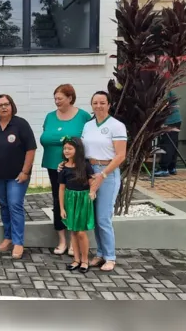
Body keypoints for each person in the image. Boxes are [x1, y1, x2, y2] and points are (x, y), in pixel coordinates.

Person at [40, 84, 92, 256]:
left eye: (60, 98)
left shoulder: (83, 116)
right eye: (55, 98)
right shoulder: (49, 116)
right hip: (53, 166)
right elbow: (46, 137)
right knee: (58, 200)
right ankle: (62, 240)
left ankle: (74, 242)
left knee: (72, 201)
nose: (57, 102)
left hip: (74, 167)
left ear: (70, 98)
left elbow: (87, 141)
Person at [0, 94, 37, 260]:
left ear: (12, 106)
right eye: (0, 105)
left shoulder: (21, 124)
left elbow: (31, 149)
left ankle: (18, 242)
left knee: (15, 204)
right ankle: (8, 238)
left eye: (7, 104)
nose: (4, 107)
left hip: (17, 176)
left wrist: (25, 171)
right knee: (4, 205)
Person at [81, 91, 126, 272]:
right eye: (95, 103)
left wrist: (104, 174)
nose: (98, 106)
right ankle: (100, 253)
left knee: (103, 218)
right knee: (95, 217)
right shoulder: (88, 126)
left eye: (102, 102)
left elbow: (121, 155)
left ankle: (110, 257)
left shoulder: (117, 126)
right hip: (91, 172)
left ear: (109, 105)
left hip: (108, 173)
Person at [58, 137, 97, 274]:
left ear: (77, 150)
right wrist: (62, 208)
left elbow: (92, 181)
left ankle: (85, 260)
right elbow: (61, 189)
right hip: (70, 200)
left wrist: (92, 192)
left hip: (83, 200)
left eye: (70, 148)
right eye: (65, 148)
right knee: (73, 231)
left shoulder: (85, 165)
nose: (66, 151)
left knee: (81, 232)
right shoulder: (63, 168)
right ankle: (76, 259)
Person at [155, 90, 181, 177]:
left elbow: (164, 105)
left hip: (169, 121)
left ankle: (164, 168)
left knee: (167, 145)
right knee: (173, 144)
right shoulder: (168, 88)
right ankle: (171, 167)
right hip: (175, 120)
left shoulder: (164, 89)